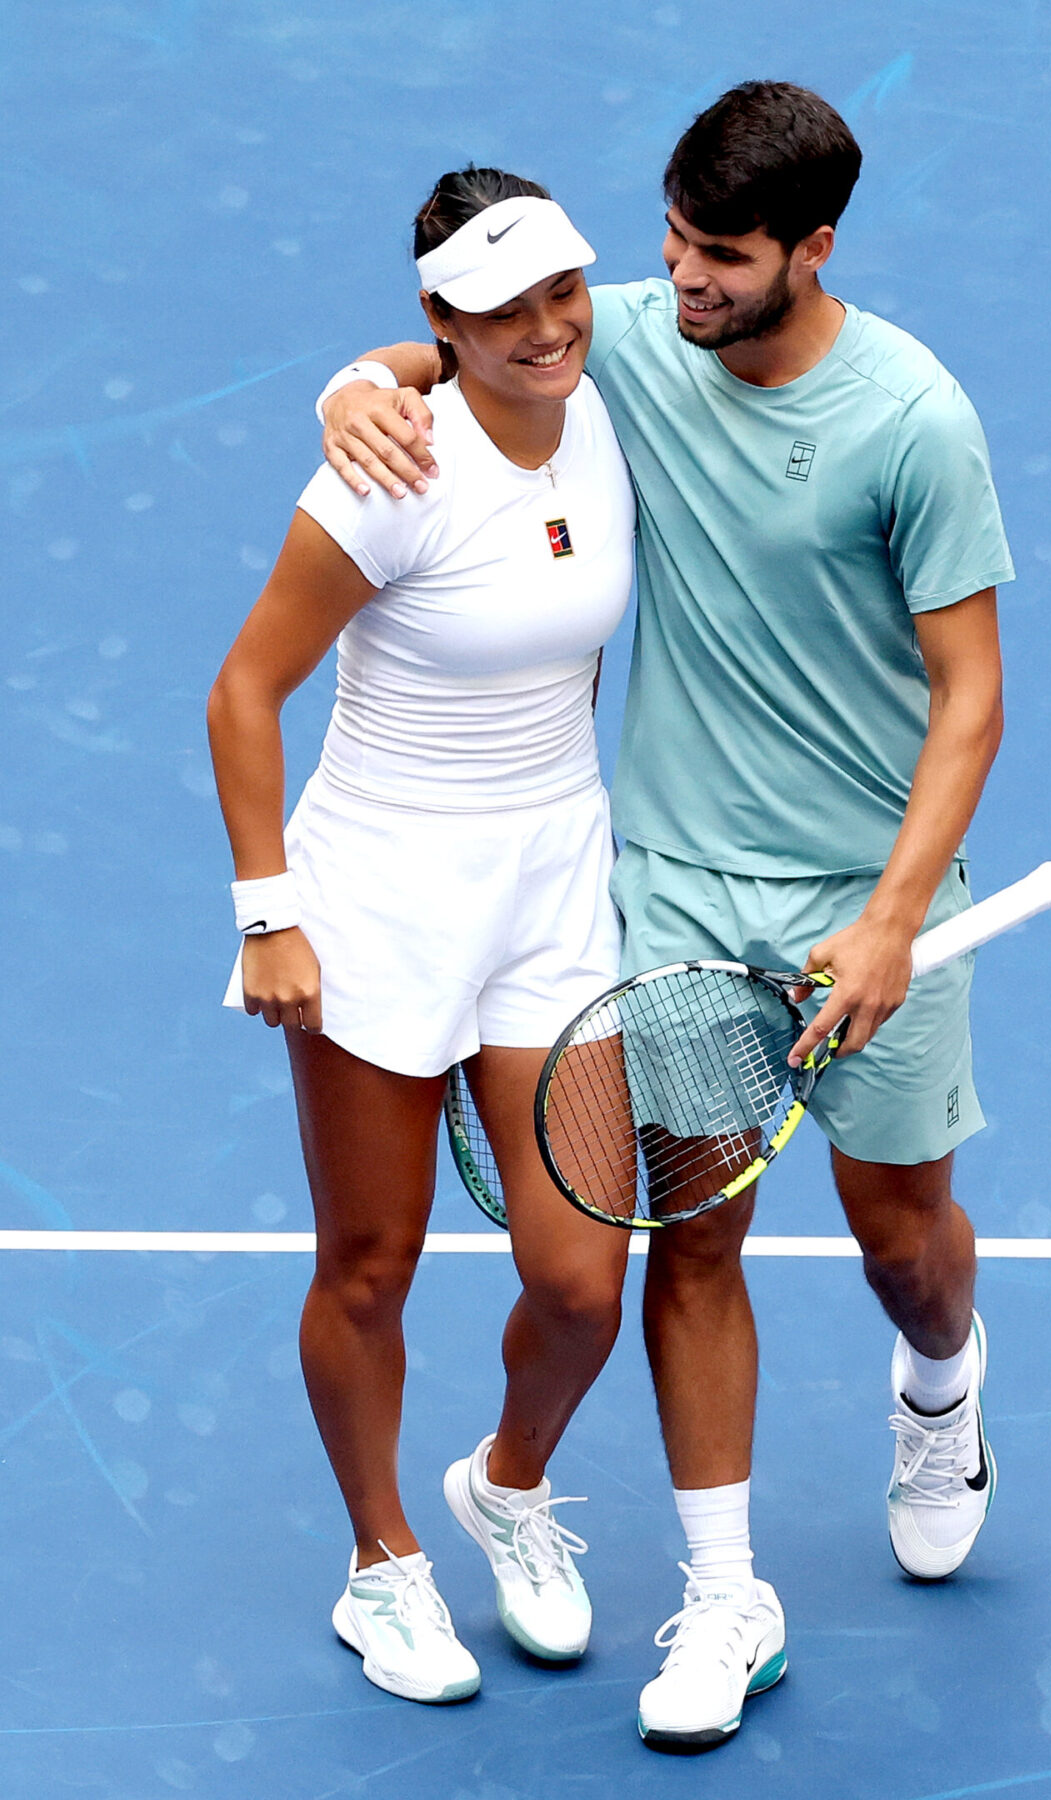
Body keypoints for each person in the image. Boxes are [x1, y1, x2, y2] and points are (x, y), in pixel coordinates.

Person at [315, 80, 1012, 1751]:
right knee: (690, 1244)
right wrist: (359, 381)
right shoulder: (631, 330)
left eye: (720, 260)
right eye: (674, 246)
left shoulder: (915, 418)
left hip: (873, 897)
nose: (675, 285)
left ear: (812, 250)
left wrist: (896, 914)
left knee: (903, 1245)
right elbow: (477, 350)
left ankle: (943, 1393)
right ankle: (724, 1597)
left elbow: (971, 694)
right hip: (686, 895)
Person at [207, 167, 637, 1707]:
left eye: (562, 292)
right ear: (441, 319)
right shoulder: (386, 477)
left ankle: (507, 1485)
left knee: (583, 1279)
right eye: (501, 306)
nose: (546, 328)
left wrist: (358, 366)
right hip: (381, 891)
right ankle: (383, 1565)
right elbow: (243, 692)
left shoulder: (611, 388)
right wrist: (271, 915)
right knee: (373, 1264)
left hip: (551, 886)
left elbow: (668, 325)